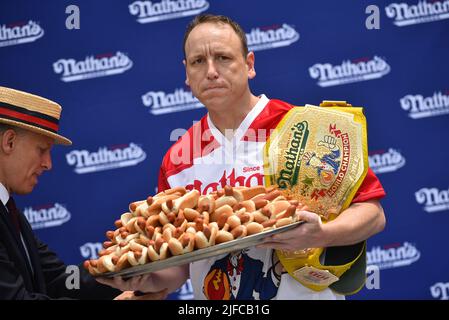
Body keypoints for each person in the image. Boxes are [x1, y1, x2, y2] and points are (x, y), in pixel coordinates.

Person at [98, 14, 386, 300]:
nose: (211, 71)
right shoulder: (177, 159)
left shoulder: (302, 127)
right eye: (198, 61)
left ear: (249, 65)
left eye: (223, 58)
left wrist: (322, 234)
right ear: (186, 73)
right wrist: (145, 278)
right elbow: (180, 266)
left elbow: (373, 215)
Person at [0, 86, 168, 300]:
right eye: (42, 150)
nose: (48, 164)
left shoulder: (10, 212)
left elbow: (61, 280)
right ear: (9, 142)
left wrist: (132, 258)